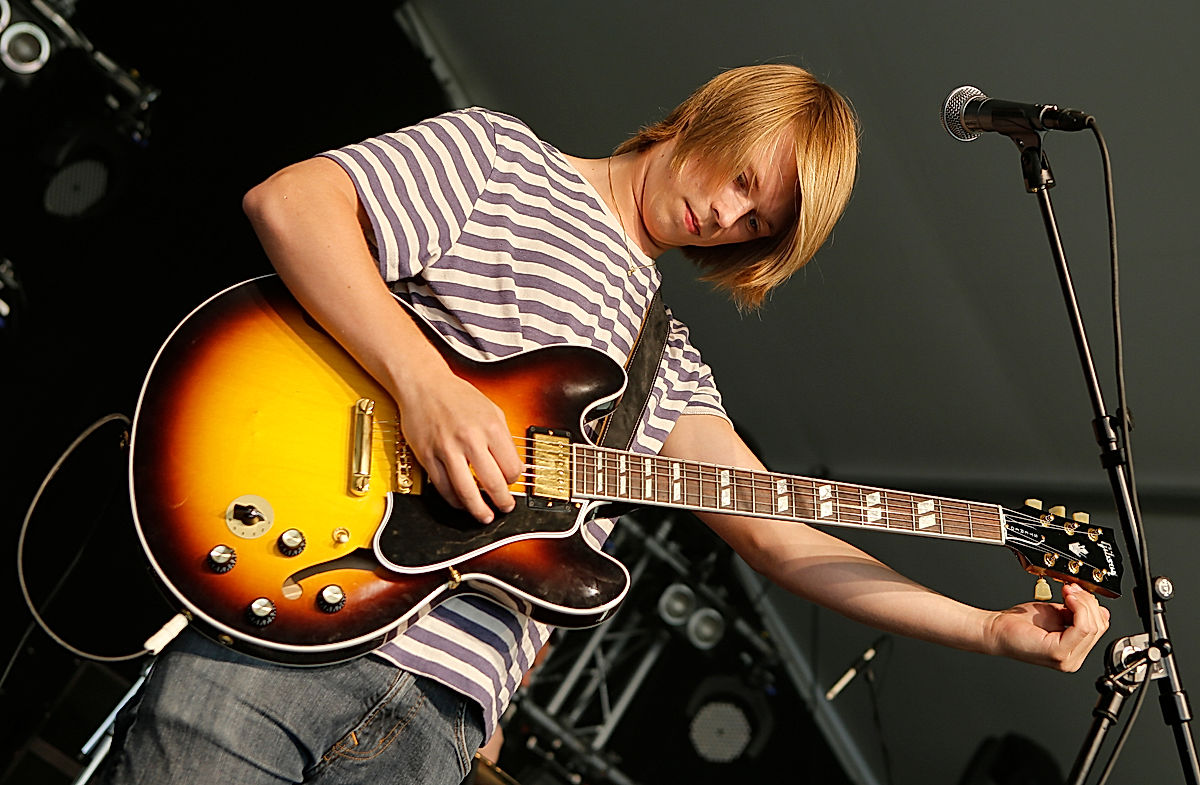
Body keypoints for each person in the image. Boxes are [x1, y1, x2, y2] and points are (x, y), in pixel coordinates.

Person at [97, 63, 1109, 785]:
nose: (729, 218)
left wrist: (986, 628)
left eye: (758, 222)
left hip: (437, 724)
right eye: (744, 180)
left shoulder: (669, 362)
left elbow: (781, 537)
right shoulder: (499, 156)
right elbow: (293, 203)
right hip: (288, 632)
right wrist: (425, 385)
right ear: (709, 113)